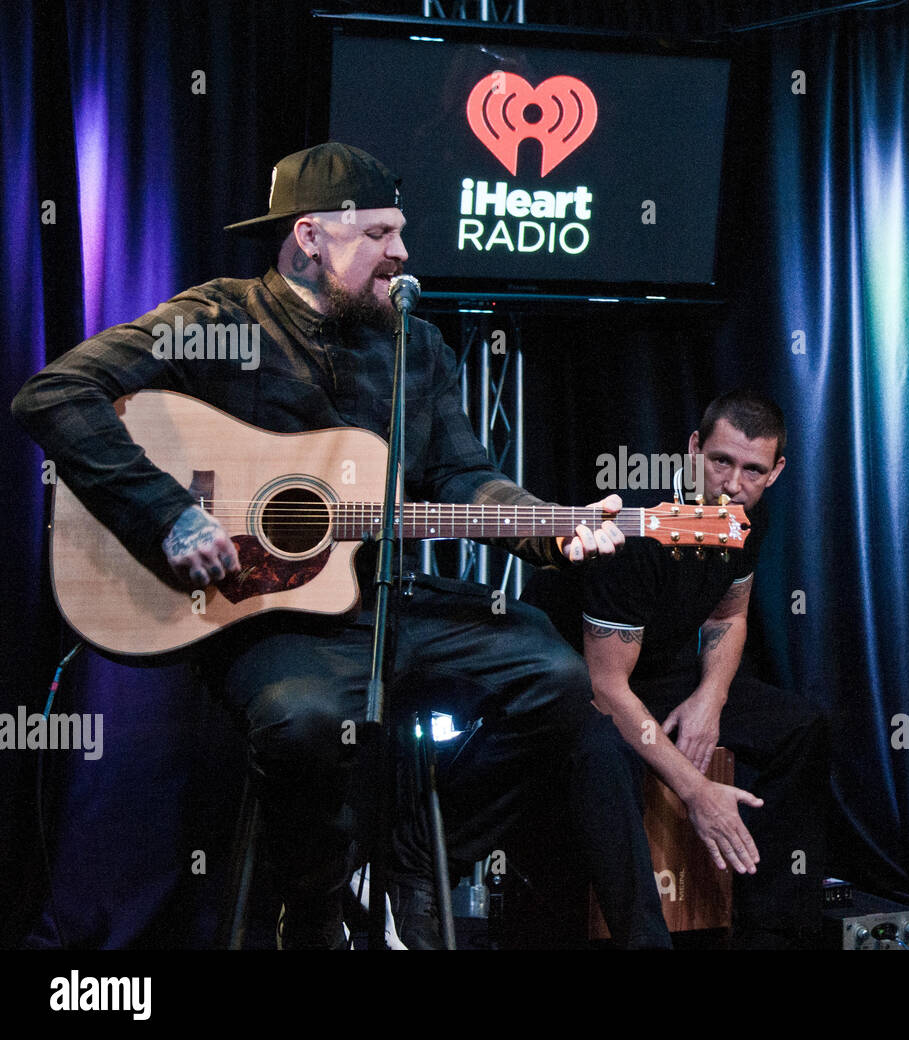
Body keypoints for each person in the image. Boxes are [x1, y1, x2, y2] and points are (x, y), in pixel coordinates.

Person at [12, 142, 669, 949]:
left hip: (392, 605)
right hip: (266, 622)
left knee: (561, 682)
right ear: (311, 235)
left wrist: (549, 526)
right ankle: (316, 907)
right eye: (381, 233)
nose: (402, 252)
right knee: (302, 722)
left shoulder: (415, 347)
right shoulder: (220, 321)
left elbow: (465, 477)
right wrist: (168, 513)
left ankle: (411, 864)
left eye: (402, 232)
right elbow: (56, 394)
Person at [523, 390, 831, 948]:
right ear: (694, 450)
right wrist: (695, 790)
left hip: (663, 674)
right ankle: (645, 939)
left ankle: (775, 932)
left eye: (753, 469)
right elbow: (607, 687)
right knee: (601, 753)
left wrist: (711, 699)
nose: (733, 483)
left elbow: (727, 617)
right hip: (575, 688)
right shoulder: (640, 531)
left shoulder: (744, 520)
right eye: (721, 462)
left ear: (776, 471)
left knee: (800, 728)